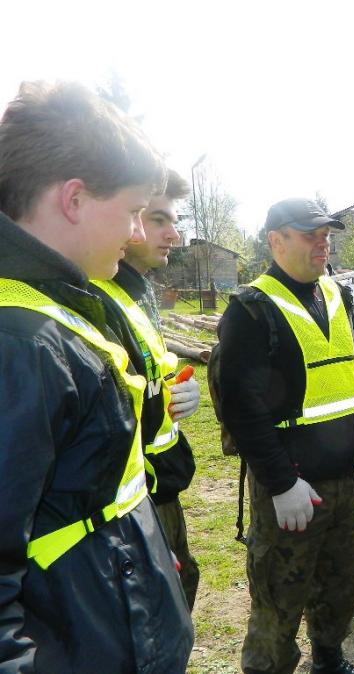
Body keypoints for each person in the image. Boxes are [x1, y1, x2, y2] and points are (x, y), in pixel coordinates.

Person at [0, 81, 192, 673]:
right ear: (75, 199)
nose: (137, 233)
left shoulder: (60, 304)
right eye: (133, 212)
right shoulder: (21, 342)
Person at [217, 197, 354, 674]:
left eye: (326, 234)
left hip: (343, 479)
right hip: (292, 487)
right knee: (279, 598)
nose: (322, 243)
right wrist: (280, 483)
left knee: (342, 583)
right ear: (277, 241)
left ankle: (328, 660)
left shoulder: (336, 294)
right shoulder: (252, 309)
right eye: (310, 234)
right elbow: (241, 409)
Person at [91, 168, 202, 608]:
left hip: (160, 487)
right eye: (156, 218)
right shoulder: (99, 296)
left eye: (172, 221)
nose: (172, 234)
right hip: (133, 500)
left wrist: (177, 391)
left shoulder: (138, 289)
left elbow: (144, 372)